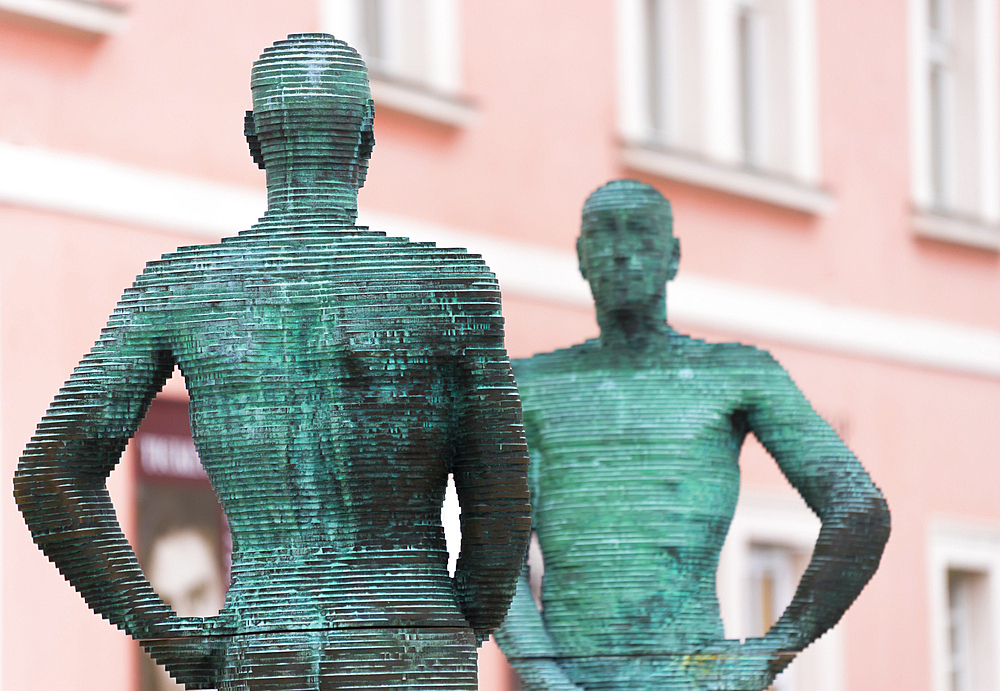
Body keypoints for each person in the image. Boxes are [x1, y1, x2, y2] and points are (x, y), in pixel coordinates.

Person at [14, 34, 530, 691]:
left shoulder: (180, 289)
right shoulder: (448, 285)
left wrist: (160, 629)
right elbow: (504, 505)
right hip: (410, 642)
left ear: (254, 138)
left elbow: (49, 476)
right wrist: (450, 628)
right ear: (367, 140)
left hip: (264, 647)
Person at [495, 180, 890, 691]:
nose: (620, 253)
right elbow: (495, 550)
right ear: (580, 256)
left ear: (672, 257)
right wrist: (543, 673)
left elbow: (860, 509)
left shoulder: (735, 375)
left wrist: (772, 651)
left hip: (690, 675)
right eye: (602, 235)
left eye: (639, 234)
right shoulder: (528, 387)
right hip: (571, 677)